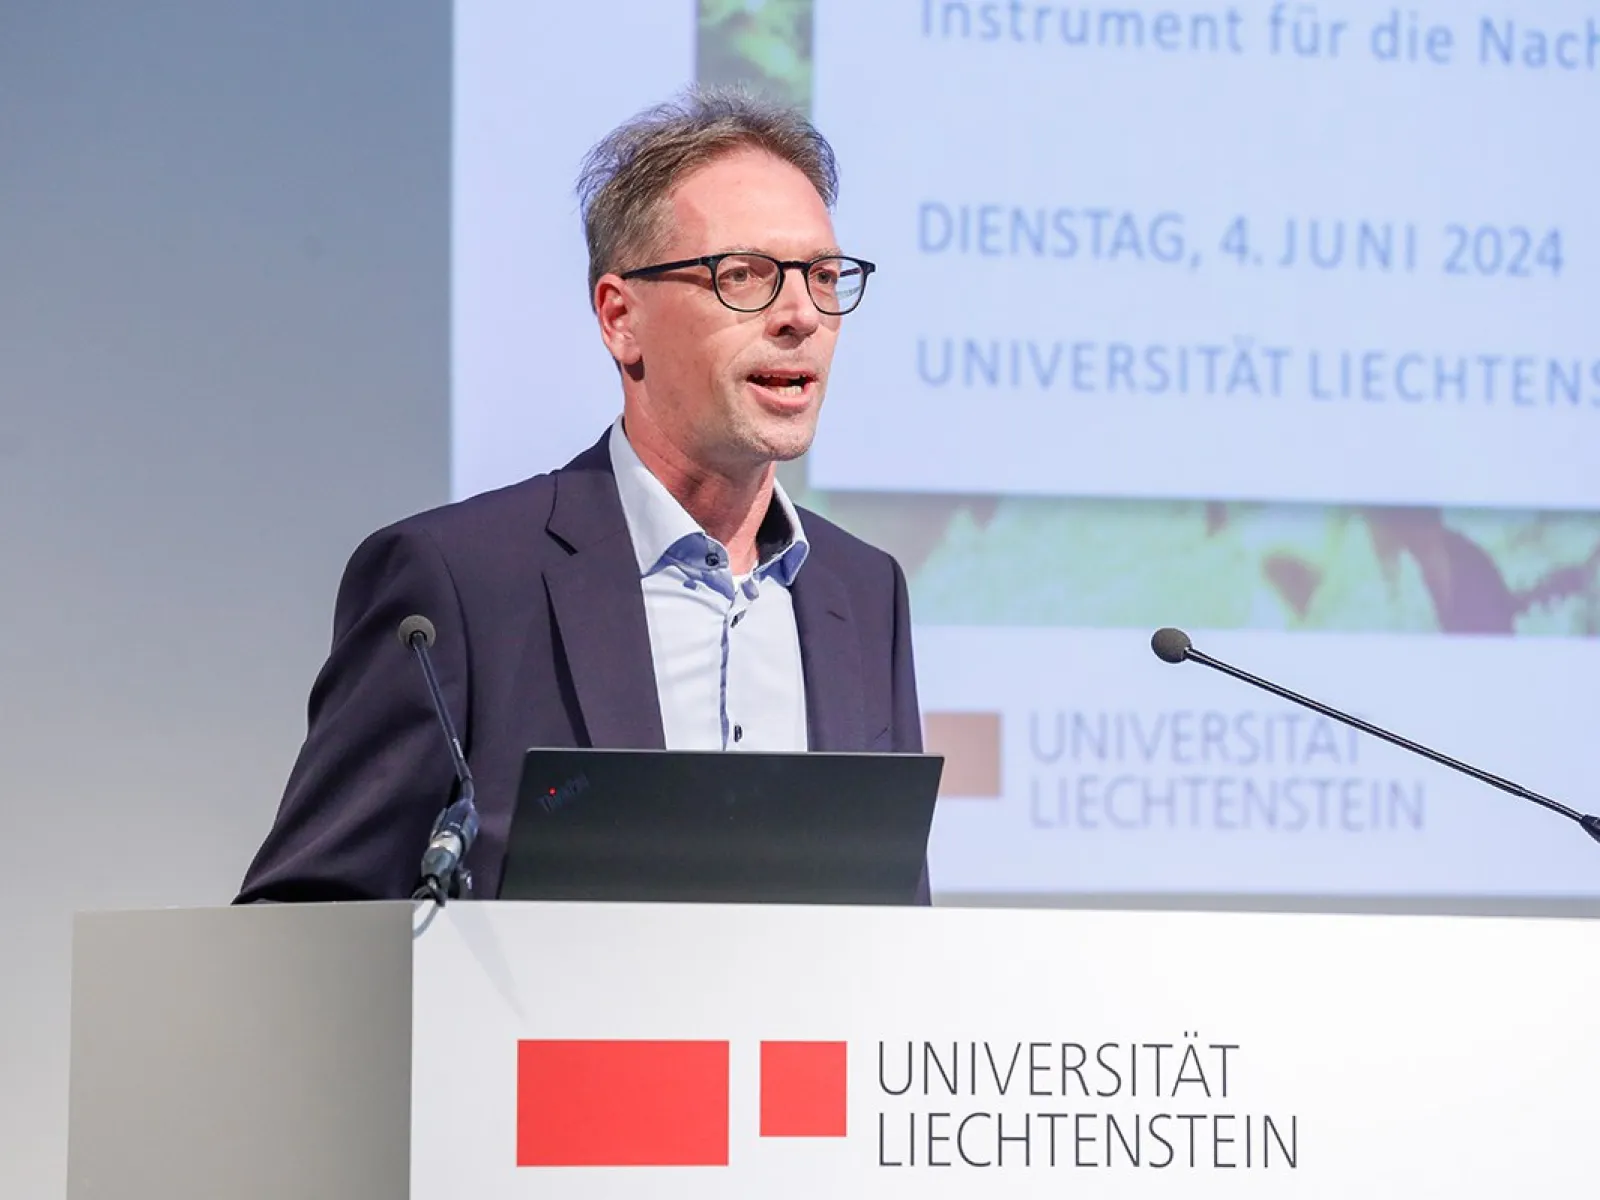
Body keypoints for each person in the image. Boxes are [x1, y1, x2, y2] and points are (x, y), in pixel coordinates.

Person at [235, 86, 926, 904]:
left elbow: (894, 938)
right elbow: (308, 918)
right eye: (745, 276)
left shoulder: (862, 593)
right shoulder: (458, 585)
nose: (801, 315)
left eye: (822, 276)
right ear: (619, 317)